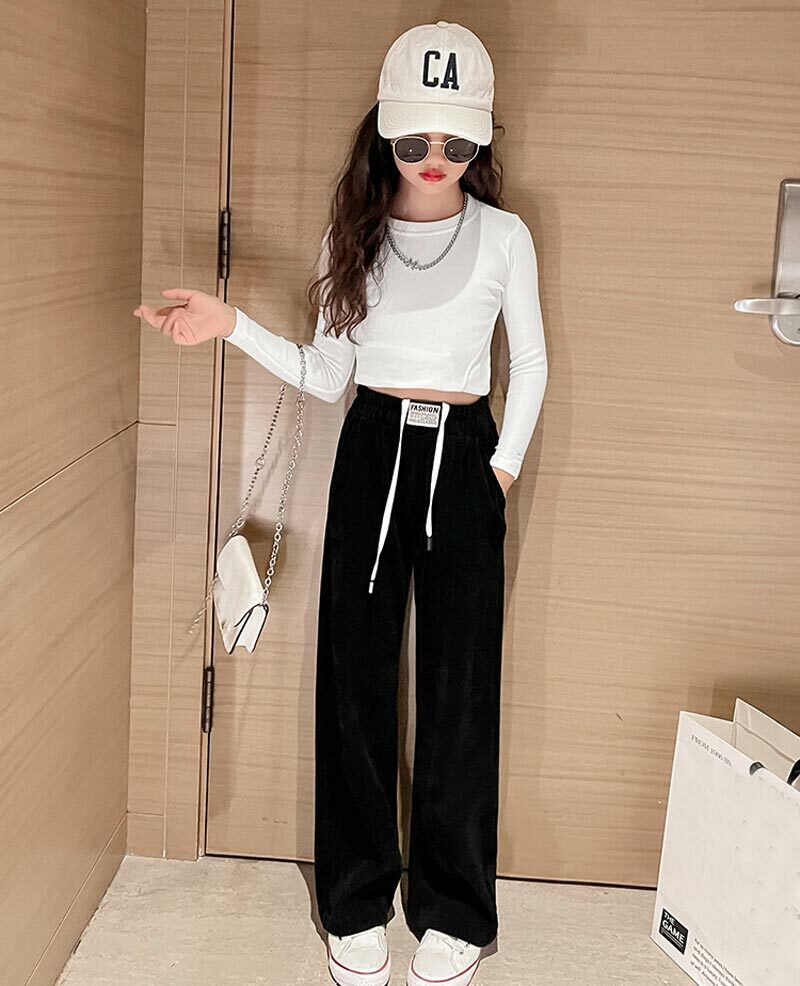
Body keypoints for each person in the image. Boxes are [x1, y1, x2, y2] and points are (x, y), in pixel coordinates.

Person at [134, 20, 548, 986]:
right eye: (415, 139)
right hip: (371, 448)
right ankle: (356, 902)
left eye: (457, 141)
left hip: (465, 455)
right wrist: (233, 325)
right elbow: (327, 376)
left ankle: (454, 910)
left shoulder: (505, 236)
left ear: (481, 140)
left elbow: (528, 362)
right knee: (355, 678)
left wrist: (500, 471)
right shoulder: (352, 236)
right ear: (385, 133)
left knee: (460, 688)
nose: (436, 158)